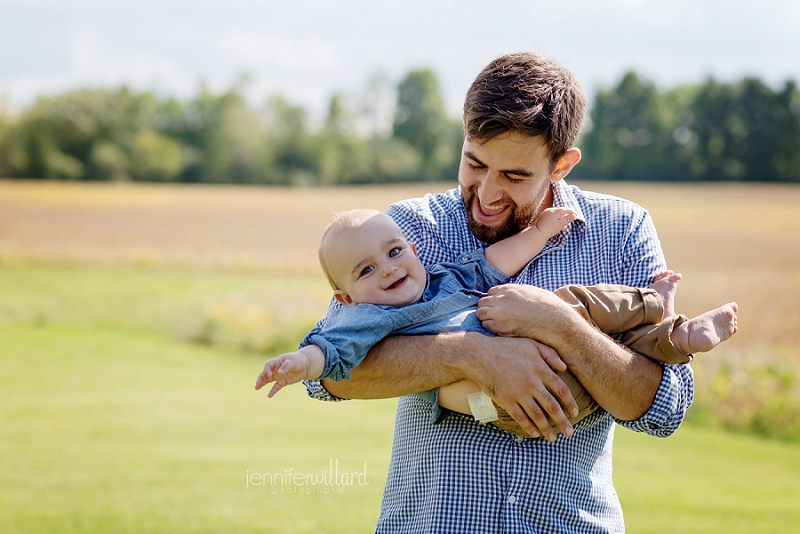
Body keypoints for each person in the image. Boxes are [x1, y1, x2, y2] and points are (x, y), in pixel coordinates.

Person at [301, 52, 705, 532]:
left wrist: (559, 325)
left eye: (514, 176)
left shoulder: (622, 229)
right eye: (474, 164)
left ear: (562, 165)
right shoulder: (404, 232)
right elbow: (328, 375)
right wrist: (472, 354)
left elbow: (663, 409)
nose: (488, 193)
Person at [255, 208, 737, 440]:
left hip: (567, 356)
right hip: (503, 407)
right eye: (366, 270)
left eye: (395, 252)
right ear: (345, 295)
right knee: (487, 401)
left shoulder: (447, 280)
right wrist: (299, 363)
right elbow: (331, 358)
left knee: (570, 304)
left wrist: (540, 232)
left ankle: (666, 318)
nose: (387, 269)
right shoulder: (367, 317)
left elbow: (494, 263)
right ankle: (665, 326)